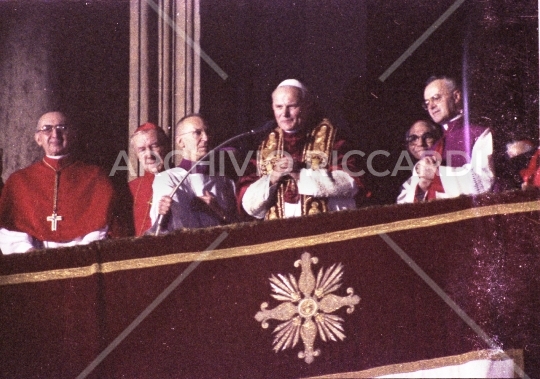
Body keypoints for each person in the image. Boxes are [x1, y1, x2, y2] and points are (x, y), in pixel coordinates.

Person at [238, 79, 364, 219]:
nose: (284, 114)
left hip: (326, 228)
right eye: (279, 107)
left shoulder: (333, 138)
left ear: (307, 105)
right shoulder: (263, 145)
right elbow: (246, 202)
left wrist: (300, 175)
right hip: (279, 233)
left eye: (292, 106)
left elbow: (352, 183)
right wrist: (272, 178)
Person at [0, 111, 115, 254]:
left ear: (72, 135)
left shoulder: (95, 176)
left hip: (83, 259)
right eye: (47, 129)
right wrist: (29, 253)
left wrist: (81, 253)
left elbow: (100, 225)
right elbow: (11, 230)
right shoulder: (19, 180)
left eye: (62, 128)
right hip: (33, 261)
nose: (55, 134)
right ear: (38, 138)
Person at [401, 76, 495, 202]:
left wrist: (437, 175)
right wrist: (422, 186)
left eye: (436, 98)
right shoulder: (432, 150)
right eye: (427, 103)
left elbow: (483, 180)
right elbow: (408, 202)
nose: (431, 106)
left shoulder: (478, 133)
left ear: (456, 97)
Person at [149, 114, 238, 232]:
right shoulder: (167, 178)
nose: (206, 138)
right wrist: (165, 213)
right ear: (181, 142)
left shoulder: (225, 181)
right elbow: (161, 228)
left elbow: (239, 228)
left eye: (207, 132)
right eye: (197, 133)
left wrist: (218, 211)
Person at [128, 122, 170, 236]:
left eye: (154, 146)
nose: (149, 155)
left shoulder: (183, 179)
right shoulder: (129, 189)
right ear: (137, 155)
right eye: (142, 149)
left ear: (166, 147)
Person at [397, 120, 442, 203]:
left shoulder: (449, 167)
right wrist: (422, 186)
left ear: (438, 140)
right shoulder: (408, 185)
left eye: (427, 136)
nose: (420, 143)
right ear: (408, 147)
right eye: (413, 139)